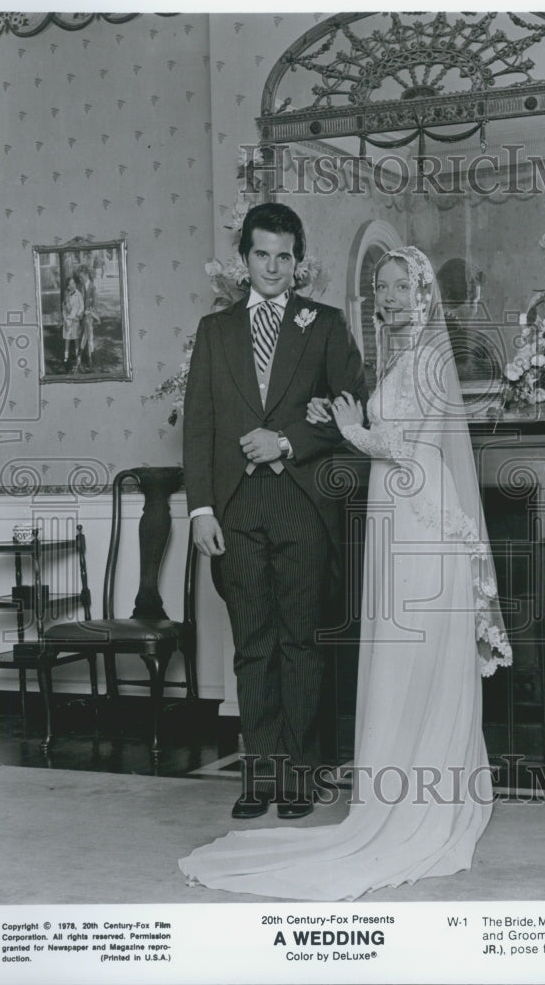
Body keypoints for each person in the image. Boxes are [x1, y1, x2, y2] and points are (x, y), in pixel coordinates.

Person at [178, 246, 512, 900]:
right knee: (399, 655)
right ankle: (402, 790)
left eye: (396, 287)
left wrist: (353, 430)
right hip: (402, 510)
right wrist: (337, 419)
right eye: (379, 287)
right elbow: (386, 429)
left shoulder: (429, 361)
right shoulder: (405, 360)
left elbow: (401, 446)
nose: (385, 297)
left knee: (416, 654)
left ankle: (425, 801)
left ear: (421, 295)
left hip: (420, 516)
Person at [182, 203, 367, 820]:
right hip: (234, 509)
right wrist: (201, 509)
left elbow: (351, 408)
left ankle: (300, 779)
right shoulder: (216, 331)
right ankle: (259, 777)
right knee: (252, 645)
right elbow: (200, 426)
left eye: (283, 256)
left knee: (300, 645)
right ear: (244, 259)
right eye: (261, 254)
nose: (272, 266)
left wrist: (287, 441)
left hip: (299, 501)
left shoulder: (326, 325)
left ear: (298, 261)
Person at [61, 274, 83, 366]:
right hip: (68, 321)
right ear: (68, 286)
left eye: (74, 283)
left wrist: (78, 315)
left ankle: (78, 357)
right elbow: (64, 308)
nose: (73, 285)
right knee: (67, 339)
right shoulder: (67, 296)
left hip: (75, 320)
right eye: (71, 284)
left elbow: (81, 306)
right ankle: (66, 357)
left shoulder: (78, 294)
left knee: (76, 338)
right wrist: (65, 319)